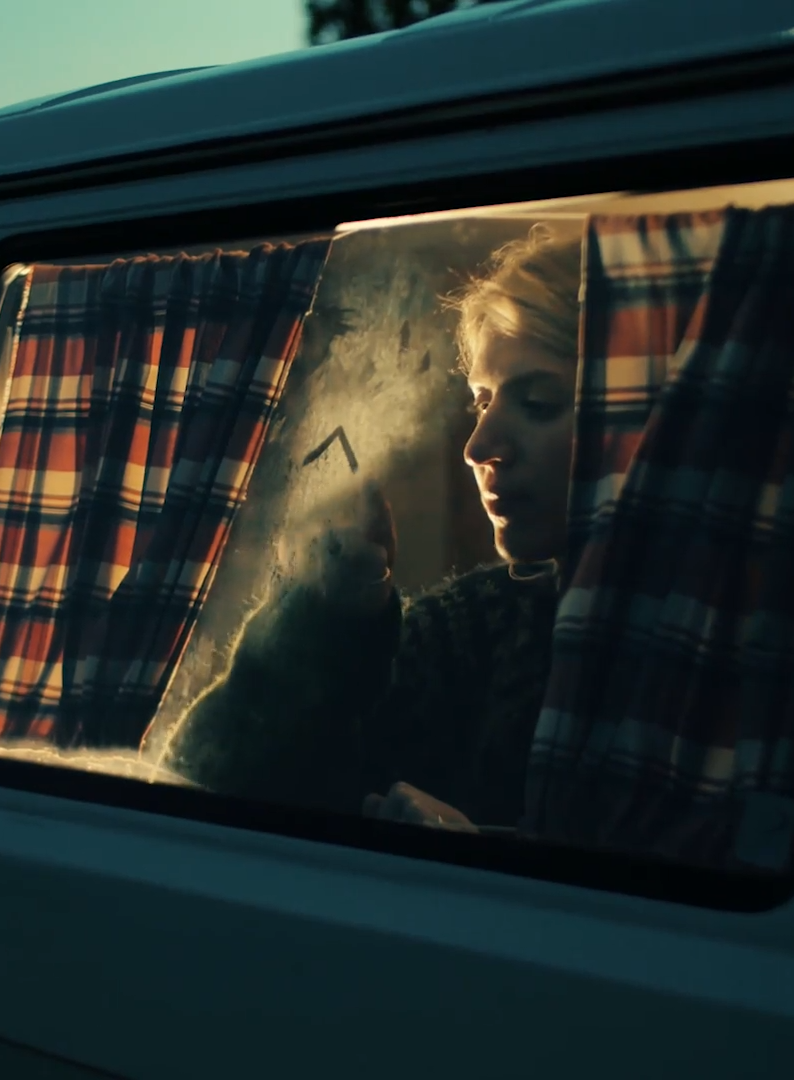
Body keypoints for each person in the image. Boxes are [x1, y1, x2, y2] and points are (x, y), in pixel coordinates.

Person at [163, 226, 580, 832]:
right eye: (481, 402)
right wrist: (324, 618)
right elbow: (200, 785)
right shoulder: (471, 630)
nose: (478, 446)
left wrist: (478, 861)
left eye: (538, 403)